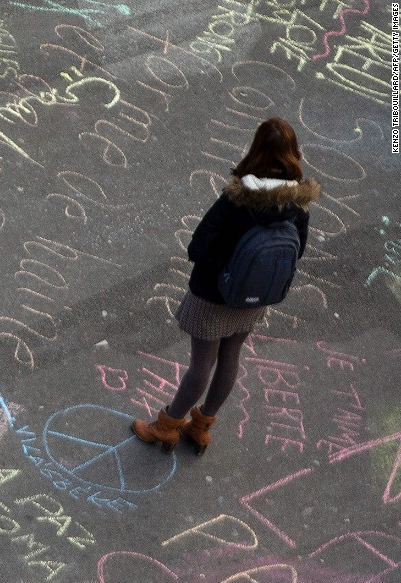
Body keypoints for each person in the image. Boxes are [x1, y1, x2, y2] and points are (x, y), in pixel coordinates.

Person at [132, 117, 320, 455]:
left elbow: (198, 247)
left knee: (201, 364)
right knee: (231, 354)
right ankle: (202, 427)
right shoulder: (297, 203)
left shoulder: (238, 198)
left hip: (214, 295)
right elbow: (298, 250)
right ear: (292, 155)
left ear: (256, 151)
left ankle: (167, 426)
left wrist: (222, 266)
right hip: (255, 296)